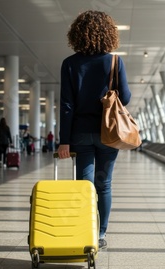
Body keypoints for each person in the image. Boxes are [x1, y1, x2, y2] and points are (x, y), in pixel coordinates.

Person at [56, 10, 132, 249]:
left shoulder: (69, 64)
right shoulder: (114, 62)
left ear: (77, 34)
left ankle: (84, 230)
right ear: (109, 33)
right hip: (109, 132)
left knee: (84, 184)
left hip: (79, 133)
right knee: (104, 184)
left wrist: (64, 141)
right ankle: (100, 234)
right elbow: (126, 98)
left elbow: (67, 105)